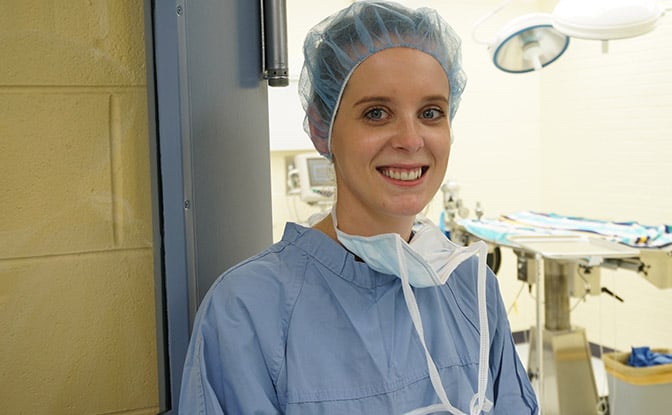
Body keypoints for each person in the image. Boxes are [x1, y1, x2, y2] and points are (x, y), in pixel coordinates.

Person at [178, 1, 538, 414]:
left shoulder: (470, 287)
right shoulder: (247, 310)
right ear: (321, 129)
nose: (410, 139)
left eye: (431, 112)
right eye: (377, 113)